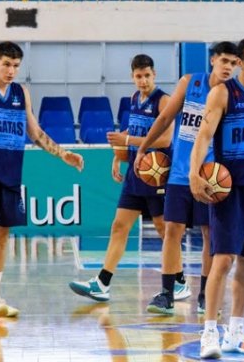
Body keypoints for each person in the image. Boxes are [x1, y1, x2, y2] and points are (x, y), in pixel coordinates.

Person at [190, 37, 244, 359]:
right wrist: (194, 174)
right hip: (230, 191)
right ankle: (209, 333)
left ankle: (236, 332)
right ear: (241, 62)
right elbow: (203, 135)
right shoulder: (223, 93)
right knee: (223, 260)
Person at [136, 42, 239, 315]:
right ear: (213, 60)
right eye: (224, 60)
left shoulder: (232, 95)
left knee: (209, 234)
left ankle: (206, 293)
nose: (228, 66)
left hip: (212, 176)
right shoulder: (190, 83)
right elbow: (166, 117)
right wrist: (144, 147)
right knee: (172, 230)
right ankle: (167, 294)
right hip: (181, 172)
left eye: (233, 62)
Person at [68, 54, 178, 302]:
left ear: (154, 75)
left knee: (165, 231)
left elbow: (164, 140)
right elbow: (136, 130)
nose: (143, 80)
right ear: (132, 77)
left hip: (157, 174)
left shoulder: (164, 101)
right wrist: (119, 154)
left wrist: (127, 141)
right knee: (119, 226)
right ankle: (102, 283)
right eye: (138, 76)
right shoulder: (134, 99)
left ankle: (178, 281)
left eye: (147, 75)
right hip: (135, 172)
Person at [0, 41, 84, 319]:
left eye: (16, 66)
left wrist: (63, 153)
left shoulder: (22, 93)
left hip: (9, 173)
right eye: (6, 64)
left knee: (1, 235)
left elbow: (34, 132)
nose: (11, 71)